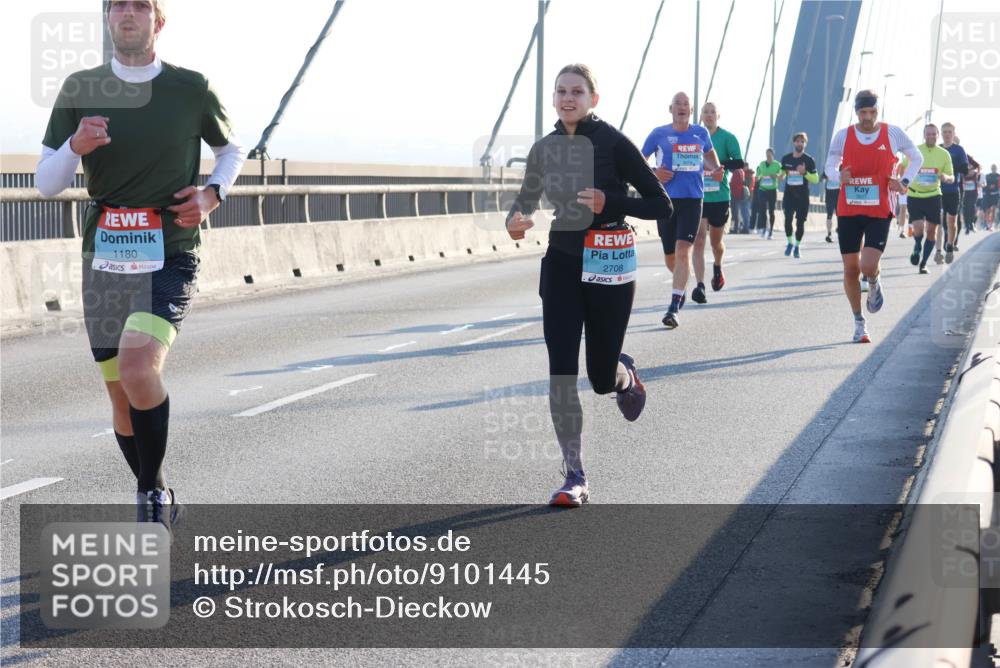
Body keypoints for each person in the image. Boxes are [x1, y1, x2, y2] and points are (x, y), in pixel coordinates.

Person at [36, 0, 246, 525]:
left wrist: (211, 195)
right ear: (108, 19)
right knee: (120, 395)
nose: (127, 13)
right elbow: (46, 182)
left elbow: (233, 150)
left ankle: (150, 497)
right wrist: (74, 144)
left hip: (169, 251)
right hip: (104, 257)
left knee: (137, 366)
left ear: (159, 19)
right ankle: (156, 487)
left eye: (139, 5)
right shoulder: (80, 87)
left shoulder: (191, 88)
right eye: (117, 6)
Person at [506, 64, 670, 507]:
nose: (567, 98)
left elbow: (661, 204)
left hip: (610, 264)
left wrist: (610, 201)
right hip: (561, 262)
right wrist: (515, 221)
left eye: (577, 91)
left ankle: (623, 375)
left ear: (593, 99)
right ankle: (574, 475)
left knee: (598, 378)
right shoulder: (544, 149)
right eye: (561, 91)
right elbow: (524, 201)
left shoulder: (614, 143)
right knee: (561, 370)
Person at [825, 90, 921, 343]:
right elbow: (829, 164)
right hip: (848, 209)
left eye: (872, 112)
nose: (868, 118)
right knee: (850, 269)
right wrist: (837, 176)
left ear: (878, 111)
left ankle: (875, 282)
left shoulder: (892, 133)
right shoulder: (843, 135)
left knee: (867, 266)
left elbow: (916, 157)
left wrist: (904, 181)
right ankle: (859, 323)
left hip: (879, 210)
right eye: (863, 113)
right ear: (856, 112)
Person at [642, 92, 722, 327]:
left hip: (692, 200)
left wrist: (716, 168)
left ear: (690, 110)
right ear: (671, 109)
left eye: (686, 104)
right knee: (671, 258)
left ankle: (673, 306)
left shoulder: (700, 132)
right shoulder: (659, 133)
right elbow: (639, 160)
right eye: (678, 103)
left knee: (683, 249)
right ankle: (681, 286)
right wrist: (654, 173)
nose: (682, 107)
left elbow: (708, 153)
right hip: (665, 201)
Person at [694, 102, 745, 295]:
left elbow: (739, 162)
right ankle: (700, 286)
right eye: (705, 112)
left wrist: (714, 164)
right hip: (698, 195)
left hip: (720, 196)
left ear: (718, 116)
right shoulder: (693, 136)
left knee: (716, 243)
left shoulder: (727, 138)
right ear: (700, 115)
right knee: (699, 240)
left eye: (712, 112)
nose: (709, 115)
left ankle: (717, 266)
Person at [908, 123, 954, 274]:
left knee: (932, 232)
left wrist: (946, 177)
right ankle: (917, 246)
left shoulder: (944, 154)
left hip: (934, 195)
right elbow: (903, 167)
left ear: (937, 135)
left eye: (934, 134)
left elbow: (951, 176)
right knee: (919, 228)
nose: (931, 136)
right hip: (914, 194)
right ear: (924, 135)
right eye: (929, 134)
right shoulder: (915, 151)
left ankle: (923, 263)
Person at [780, 132, 819, 258]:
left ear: (805, 144)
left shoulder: (809, 160)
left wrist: (805, 173)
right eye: (797, 141)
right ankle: (790, 242)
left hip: (802, 197)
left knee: (800, 224)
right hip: (789, 195)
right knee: (787, 221)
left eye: (802, 141)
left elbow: (816, 179)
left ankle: (797, 246)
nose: (799, 143)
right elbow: (782, 173)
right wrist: (781, 175)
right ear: (794, 143)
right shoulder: (786, 159)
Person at [940, 122, 968, 262]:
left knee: (951, 221)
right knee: (937, 221)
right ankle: (939, 250)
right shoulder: (937, 149)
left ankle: (950, 245)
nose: (947, 134)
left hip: (952, 190)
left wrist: (949, 167)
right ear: (941, 133)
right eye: (944, 131)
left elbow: (965, 169)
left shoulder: (959, 150)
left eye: (949, 132)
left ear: (953, 133)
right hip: (936, 190)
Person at [755, 148, 781, 238]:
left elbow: (781, 176)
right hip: (762, 189)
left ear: (773, 155)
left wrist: (776, 175)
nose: (768, 157)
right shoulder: (762, 164)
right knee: (762, 209)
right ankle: (763, 229)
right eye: (767, 155)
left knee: (771, 211)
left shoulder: (777, 165)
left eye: (769, 155)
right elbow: (758, 175)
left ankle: (771, 230)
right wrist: (758, 178)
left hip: (772, 190)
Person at [962, 154, 981, 235]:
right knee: (965, 208)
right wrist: (964, 175)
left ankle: (972, 223)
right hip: (965, 191)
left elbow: (979, 166)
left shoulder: (975, 168)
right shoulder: (962, 164)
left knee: (972, 206)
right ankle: (967, 225)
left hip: (973, 191)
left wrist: (976, 173)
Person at [731, 165, 753, 234]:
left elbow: (749, 186)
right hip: (742, 195)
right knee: (742, 213)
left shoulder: (747, 174)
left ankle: (745, 228)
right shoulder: (742, 173)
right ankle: (744, 228)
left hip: (744, 196)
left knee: (744, 213)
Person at [823, 171, 839, 243]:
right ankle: (829, 234)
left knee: (839, 214)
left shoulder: (842, 165)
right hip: (829, 194)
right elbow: (821, 178)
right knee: (829, 215)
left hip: (839, 193)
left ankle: (839, 230)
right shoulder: (828, 168)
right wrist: (825, 177)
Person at [985, 164, 1000, 229]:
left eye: (995, 167)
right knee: (988, 210)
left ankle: (992, 224)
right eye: (992, 167)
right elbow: (985, 184)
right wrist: (989, 187)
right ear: (991, 168)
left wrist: (995, 186)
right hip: (988, 195)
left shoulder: (998, 176)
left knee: (993, 209)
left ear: (996, 168)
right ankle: (987, 223)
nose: (993, 168)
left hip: (995, 194)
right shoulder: (987, 176)